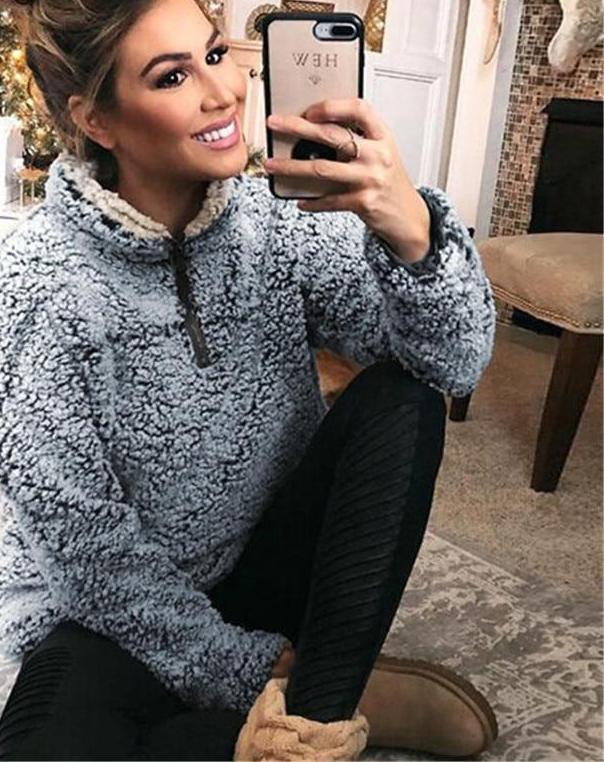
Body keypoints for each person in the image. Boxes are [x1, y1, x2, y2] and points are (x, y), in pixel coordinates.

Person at [0, 0, 499, 759]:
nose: (223, 91)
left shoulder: (279, 221)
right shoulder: (38, 284)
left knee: (402, 400)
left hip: (265, 566)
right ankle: (330, 695)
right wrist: (240, 667)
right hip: (110, 617)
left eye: (214, 54)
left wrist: (410, 231)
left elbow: (451, 366)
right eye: (171, 77)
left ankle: (314, 714)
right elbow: (86, 549)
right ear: (96, 120)